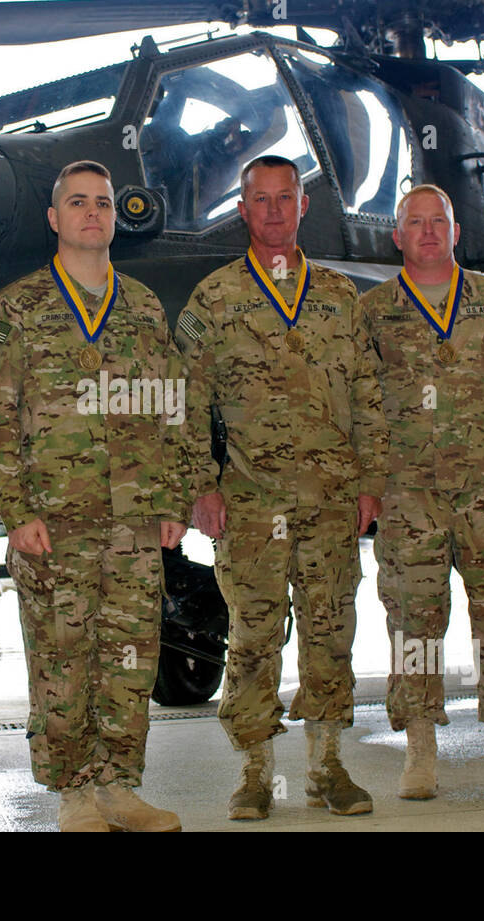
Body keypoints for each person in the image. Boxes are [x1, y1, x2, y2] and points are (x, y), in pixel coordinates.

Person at [0, 160, 188, 832]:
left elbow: (173, 407)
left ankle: (120, 784)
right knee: (62, 661)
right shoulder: (19, 309)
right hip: (53, 522)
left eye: (102, 202)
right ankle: (73, 790)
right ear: (54, 218)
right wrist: (16, 509)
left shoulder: (145, 308)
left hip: (133, 521)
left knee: (129, 658)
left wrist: (175, 498)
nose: (92, 213)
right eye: (77, 202)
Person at [175, 154, 387, 820]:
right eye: (259, 200)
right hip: (249, 502)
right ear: (242, 210)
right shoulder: (214, 299)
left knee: (331, 632)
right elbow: (185, 401)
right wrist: (198, 487)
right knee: (253, 635)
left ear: (303, 206)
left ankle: (327, 766)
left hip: (330, 503)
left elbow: (368, 393)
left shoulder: (338, 295)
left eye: (284, 198)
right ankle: (256, 772)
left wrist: (371, 480)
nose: (273, 210)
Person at [362, 183, 484, 800]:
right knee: (415, 623)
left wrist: (482, 426)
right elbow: (356, 397)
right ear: (397, 235)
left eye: (437, 220)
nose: (427, 231)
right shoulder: (373, 313)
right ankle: (420, 748)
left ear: (455, 230)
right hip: (407, 495)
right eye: (413, 222)